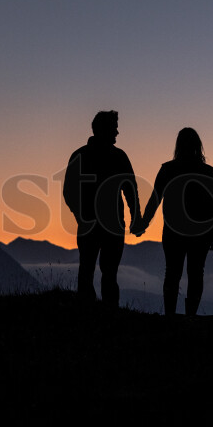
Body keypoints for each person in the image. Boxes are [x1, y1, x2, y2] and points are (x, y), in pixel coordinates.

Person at [132, 128, 213, 316]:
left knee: (172, 273)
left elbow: (155, 200)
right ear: (198, 146)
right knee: (196, 273)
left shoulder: (168, 169)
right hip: (201, 232)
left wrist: (143, 224)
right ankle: (191, 316)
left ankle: (170, 315)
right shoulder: (206, 171)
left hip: (173, 232)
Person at [63, 111, 142, 309]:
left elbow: (69, 192)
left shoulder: (80, 155)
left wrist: (80, 215)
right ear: (104, 129)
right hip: (112, 224)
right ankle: (109, 313)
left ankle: (86, 312)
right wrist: (136, 218)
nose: (117, 131)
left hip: (91, 224)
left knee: (87, 269)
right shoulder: (118, 156)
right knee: (108, 272)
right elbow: (130, 190)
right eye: (114, 127)